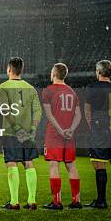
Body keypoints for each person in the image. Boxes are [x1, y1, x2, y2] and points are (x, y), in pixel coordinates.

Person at [0, 57, 42, 210]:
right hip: (28, 133)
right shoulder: (30, 88)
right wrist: (33, 129)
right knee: (29, 162)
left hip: (11, 132)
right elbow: (38, 110)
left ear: (9, 69)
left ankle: (14, 202)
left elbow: (5, 109)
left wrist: (17, 128)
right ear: (21, 70)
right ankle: (31, 201)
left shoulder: (3, 87)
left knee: (12, 162)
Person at [85, 60, 111, 209]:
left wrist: (91, 127)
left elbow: (87, 111)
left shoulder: (92, 88)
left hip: (99, 129)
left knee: (99, 163)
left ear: (98, 72)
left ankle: (101, 201)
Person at [42, 63, 82, 210]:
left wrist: (59, 130)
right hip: (69, 135)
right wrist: (70, 129)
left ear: (53, 73)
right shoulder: (72, 92)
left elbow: (49, 114)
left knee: (54, 164)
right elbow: (78, 115)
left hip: (54, 134)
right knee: (71, 165)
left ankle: (57, 202)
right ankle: (76, 200)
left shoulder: (48, 91)